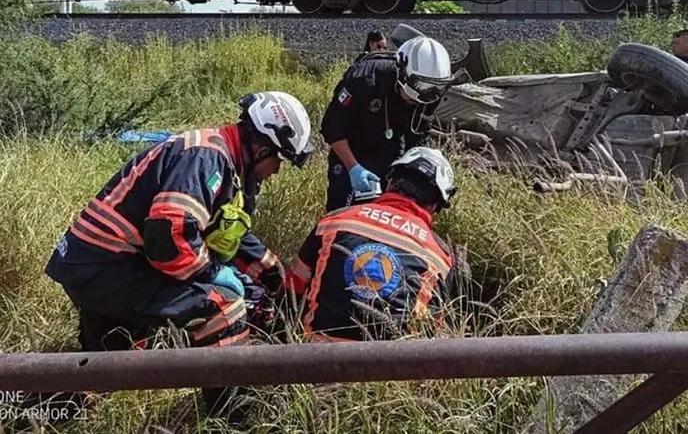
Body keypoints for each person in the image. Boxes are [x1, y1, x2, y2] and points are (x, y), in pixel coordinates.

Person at [43, 91, 313, 418]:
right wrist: (212, 274)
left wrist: (273, 274)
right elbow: (168, 239)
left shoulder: (220, 156)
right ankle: (234, 417)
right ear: (262, 148)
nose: (275, 172)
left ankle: (32, 410)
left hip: (95, 264)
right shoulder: (207, 158)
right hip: (110, 267)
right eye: (278, 161)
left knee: (105, 369)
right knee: (222, 306)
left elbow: (223, 232)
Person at [283, 147, 462, 341]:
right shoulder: (440, 257)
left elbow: (291, 290)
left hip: (310, 360)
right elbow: (433, 329)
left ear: (390, 182)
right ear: (435, 205)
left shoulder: (334, 222)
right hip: (389, 368)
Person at [321, 35, 454, 212]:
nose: (421, 98)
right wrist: (354, 168)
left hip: (391, 153)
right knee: (342, 211)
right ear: (402, 73)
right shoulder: (365, 76)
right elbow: (332, 127)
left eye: (431, 90)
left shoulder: (430, 95)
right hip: (351, 151)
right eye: (419, 88)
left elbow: (418, 137)